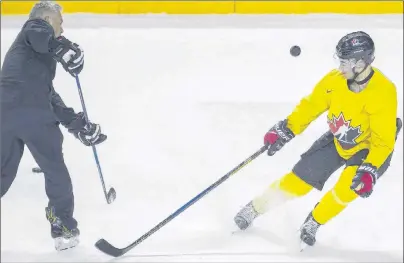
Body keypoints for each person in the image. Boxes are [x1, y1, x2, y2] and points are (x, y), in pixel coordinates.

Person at [233, 31, 402, 250]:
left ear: (361, 63)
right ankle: (255, 207)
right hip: (339, 139)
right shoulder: (334, 81)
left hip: (370, 150)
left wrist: (370, 169)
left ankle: (315, 220)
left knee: (346, 189)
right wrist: (287, 128)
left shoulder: (384, 91)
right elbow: (310, 107)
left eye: (345, 63)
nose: (340, 68)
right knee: (298, 182)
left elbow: (383, 141)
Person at [1, 1, 107, 251]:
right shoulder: (35, 28)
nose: (63, 25)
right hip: (35, 117)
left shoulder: (28, 58)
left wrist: (77, 125)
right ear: (49, 20)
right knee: (55, 170)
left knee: (2, 173)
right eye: (60, 20)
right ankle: (63, 226)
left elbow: (46, 96)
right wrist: (60, 47)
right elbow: (38, 32)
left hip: (4, 113)